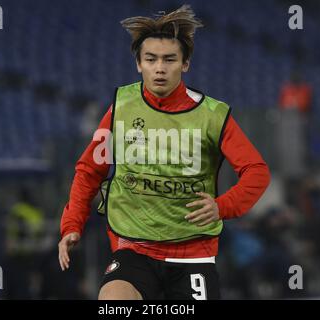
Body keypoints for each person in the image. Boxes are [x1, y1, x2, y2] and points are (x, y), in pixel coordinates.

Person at [58, 5, 270, 300]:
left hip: (192, 253)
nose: (160, 68)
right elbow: (89, 170)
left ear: (185, 64)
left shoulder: (212, 115)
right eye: (151, 59)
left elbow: (257, 171)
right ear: (138, 64)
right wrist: (72, 224)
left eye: (170, 59)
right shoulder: (121, 107)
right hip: (133, 248)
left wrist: (223, 206)